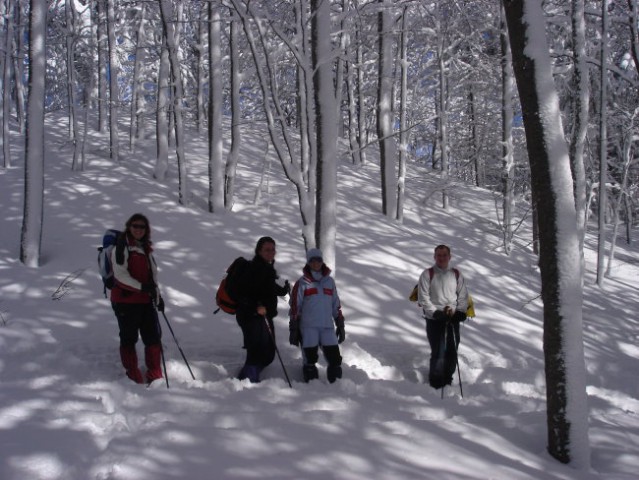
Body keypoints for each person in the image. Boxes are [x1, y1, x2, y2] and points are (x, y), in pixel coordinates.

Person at [110, 213, 165, 384]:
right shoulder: (121, 247)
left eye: (142, 227)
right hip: (125, 302)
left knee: (153, 337)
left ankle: (154, 373)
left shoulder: (145, 248)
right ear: (129, 227)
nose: (138, 229)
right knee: (128, 338)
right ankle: (132, 373)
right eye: (135, 226)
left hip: (145, 301)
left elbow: (152, 277)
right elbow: (120, 276)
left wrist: (158, 296)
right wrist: (143, 287)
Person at [235, 236, 289, 383]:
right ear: (259, 251)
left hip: (262, 315)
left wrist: (283, 291)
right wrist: (256, 307)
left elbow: (266, 287)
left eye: (273, 249)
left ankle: (246, 378)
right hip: (251, 316)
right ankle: (248, 382)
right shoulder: (254, 268)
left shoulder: (265, 267)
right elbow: (242, 292)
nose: (271, 252)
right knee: (257, 350)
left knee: (267, 352)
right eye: (267, 250)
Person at [288, 248, 345, 383]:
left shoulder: (329, 282)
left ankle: (337, 387)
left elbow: (335, 304)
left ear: (322, 261)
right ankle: (311, 387)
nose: (316, 263)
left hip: (327, 327)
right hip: (309, 327)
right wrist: (294, 327)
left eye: (318, 260)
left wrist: (340, 324)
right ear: (308, 262)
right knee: (310, 358)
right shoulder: (302, 283)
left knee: (335, 358)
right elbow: (295, 306)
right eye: (312, 260)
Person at [417, 244, 468, 390]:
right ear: (434, 257)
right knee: (439, 351)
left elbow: (463, 295)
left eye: (444, 255)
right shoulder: (427, 274)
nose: (441, 258)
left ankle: (448, 379)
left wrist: (460, 311)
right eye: (439, 255)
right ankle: (436, 382)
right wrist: (435, 312)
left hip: (452, 318)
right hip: (435, 319)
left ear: (449, 257)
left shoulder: (456, 274)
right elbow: (423, 298)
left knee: (452, 351)